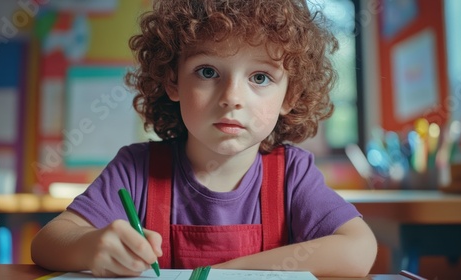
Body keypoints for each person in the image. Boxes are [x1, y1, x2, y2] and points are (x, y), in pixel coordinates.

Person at [31, 0, 377, 277]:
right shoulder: (137, 168)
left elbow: (359, 250)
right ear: (173, 81)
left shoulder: (292, 175)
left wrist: (217, 274)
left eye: (260, 77)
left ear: (290, 96)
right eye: (208, 71)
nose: (232, 97)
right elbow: (47, 242)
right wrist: (91, 246)